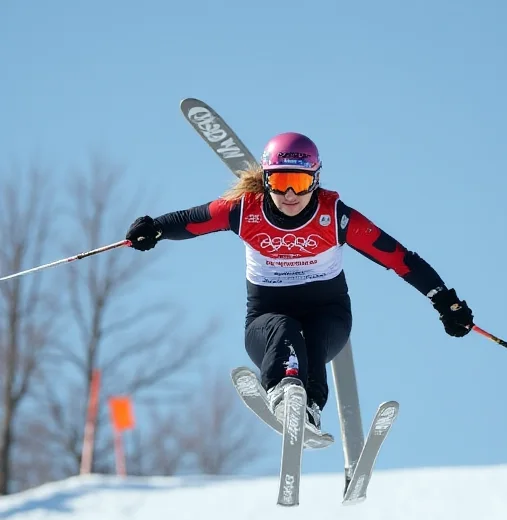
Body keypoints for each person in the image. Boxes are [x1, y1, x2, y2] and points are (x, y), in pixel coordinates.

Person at [125, 132, 474, 431]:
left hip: (329, 317)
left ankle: (308, 407)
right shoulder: (243, 210)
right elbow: (190, 221)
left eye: (301, 182)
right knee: (284, 327)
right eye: (279, 182)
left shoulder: (335, 217)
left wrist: (445, 300)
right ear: (265, 180)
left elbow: (398, 257)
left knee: (314, 335)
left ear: (316, 180)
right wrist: (152, 228)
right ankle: (284, 391)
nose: (290, 194)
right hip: (265, 322)